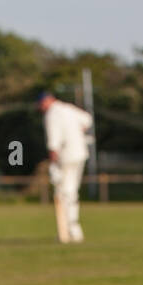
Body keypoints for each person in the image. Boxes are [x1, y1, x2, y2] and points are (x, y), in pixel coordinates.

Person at [38, 91, 93, 243]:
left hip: (65, 157)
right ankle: (73, 230)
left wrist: (54, 165)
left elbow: (53, 144)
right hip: (80, 154)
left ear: (48, 101)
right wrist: (75, 134)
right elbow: (87, 120)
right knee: (72, 191)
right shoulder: (68, 108)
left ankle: (68, 231)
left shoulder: (52, 115)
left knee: (64, 193)